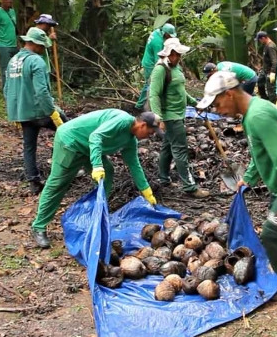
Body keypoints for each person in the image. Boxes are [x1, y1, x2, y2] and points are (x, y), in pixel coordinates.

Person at [197, 71, 277, 300]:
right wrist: (250, 177)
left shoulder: (258, 116)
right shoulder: (252, 111)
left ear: (229, 94)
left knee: (273, 235)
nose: (216, 110)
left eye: (217, 103)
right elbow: (260, 151)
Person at [30, 110, 161, 248]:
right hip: (70, 142)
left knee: (108, 172)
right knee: (57, 184)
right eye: (150, 132)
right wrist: (97, 165)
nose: (150, 137)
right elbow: (96, 136)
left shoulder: (130, 140)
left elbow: (134, 165)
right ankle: (39, 226)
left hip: (88, 148)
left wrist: (146, 191)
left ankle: (96, 215)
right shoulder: (122, 121)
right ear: (142, 125)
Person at [4, 27, 66, 195]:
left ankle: (34, 182)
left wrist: (15, 113)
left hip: (22, 113)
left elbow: (7, 88)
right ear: (36, 44)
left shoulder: (13, 61)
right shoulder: (36, 61)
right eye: (42, 46)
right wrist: (52, 111)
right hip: (40, 111)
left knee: (29, 147)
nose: (43, 49)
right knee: (70, 133)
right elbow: (42, 91)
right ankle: (70, 170)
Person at [150, 38, 209, 198]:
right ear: (168, 53)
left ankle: (163, 178)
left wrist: (194, 103)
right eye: (174, 54)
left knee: (167, 147)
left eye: (179, 54)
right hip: (170, 116)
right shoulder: (160, 69)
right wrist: (158, 117)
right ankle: (190, 187)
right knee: (181, 150)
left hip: (179, 113)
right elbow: (154, 94)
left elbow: (181, 90)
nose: (177, 57)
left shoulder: (176, 68)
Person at [134, 24, 178, 112]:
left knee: (149, 84)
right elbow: (158, 60)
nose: (170, 37)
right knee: (151, 84)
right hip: (150, 64)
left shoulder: (157, 32)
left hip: (148, 60)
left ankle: (139, 105)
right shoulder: (157, 42)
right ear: (165, 33)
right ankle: (141, 106)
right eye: (169, 36)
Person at [0, 0, 18, 89]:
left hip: (14, 46)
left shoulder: (12, 11)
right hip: (3, 46)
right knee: (6, 71)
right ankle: (7, 92)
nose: (9, 1)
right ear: (1, 0)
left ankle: (14, 91)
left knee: (16, 70)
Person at [256, 31, 277, 102]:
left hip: (270, 72)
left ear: (263, 38)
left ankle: (274, 104)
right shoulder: (266, 45)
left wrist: (273, 72)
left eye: (259, 40)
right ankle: (265, 99)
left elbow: (274, 61)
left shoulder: (271, 46)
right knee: (260, 82)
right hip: (264, 70)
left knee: (271, 90)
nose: (260, 42)